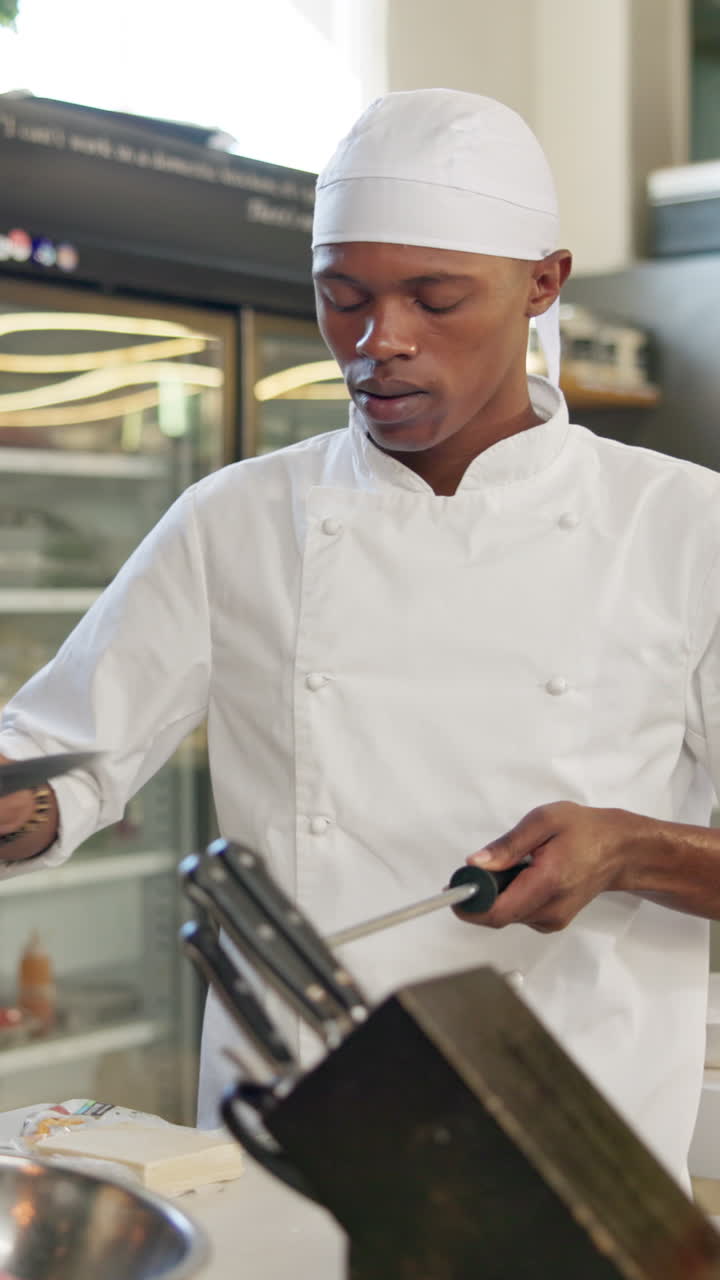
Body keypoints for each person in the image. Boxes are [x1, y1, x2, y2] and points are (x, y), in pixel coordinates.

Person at [1, 88, 720, 1188]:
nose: (380, 343)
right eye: (342, 298)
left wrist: (632, 845)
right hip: (294, 1138)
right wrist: (24, 799)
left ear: (543, 283)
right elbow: (65, 758)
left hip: (578, 1154)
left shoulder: (683, 527)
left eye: (436, 299)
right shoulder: (234, 518)